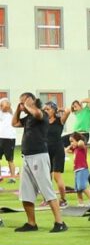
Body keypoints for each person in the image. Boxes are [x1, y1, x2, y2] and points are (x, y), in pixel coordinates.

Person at [11, 93, 67, 233]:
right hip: (27, 157)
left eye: (23, 101)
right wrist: (18, 109)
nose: (22, 104)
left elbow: (37, 113)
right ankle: (31, 223)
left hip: (39, 156)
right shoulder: (28, 117)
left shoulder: (42, 114)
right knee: (26, 193)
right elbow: (14, 123)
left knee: (46, 190)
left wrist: (29, 105)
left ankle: (60, 223)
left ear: (32, 101)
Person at [41, 101, 68, 206]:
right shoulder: (43, 121)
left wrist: (59, 109)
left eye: (48, 109)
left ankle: (63, 200)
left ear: (54, 110)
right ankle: (47, 199)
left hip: (58, 150)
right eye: (45, 109)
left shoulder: (59, 120)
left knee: (57, 176)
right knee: (46, 177)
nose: (46, 111)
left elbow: (68, 111)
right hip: (45, 150)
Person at [66, 132, 90, 205]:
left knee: (82, 187)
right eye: (70, 141)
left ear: (77, 140)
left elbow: (81, 143)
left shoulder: (82, 148)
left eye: (72, 141)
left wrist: (79, 141)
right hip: (77, 171)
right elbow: (66, 150)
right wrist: (71, 145)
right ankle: (80, 203)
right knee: (78, 189)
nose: (71, 143)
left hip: (82, 169)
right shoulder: (75, 149)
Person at [0, 98, 16, 182]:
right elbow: (3, 107)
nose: (3, 106)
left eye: (4, 103)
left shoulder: (12, 111)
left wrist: (4, 104)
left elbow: (6, 106)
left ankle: (12, 177)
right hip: (0, 137)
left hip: (9, 138)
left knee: (10, 159)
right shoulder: (0, 112)